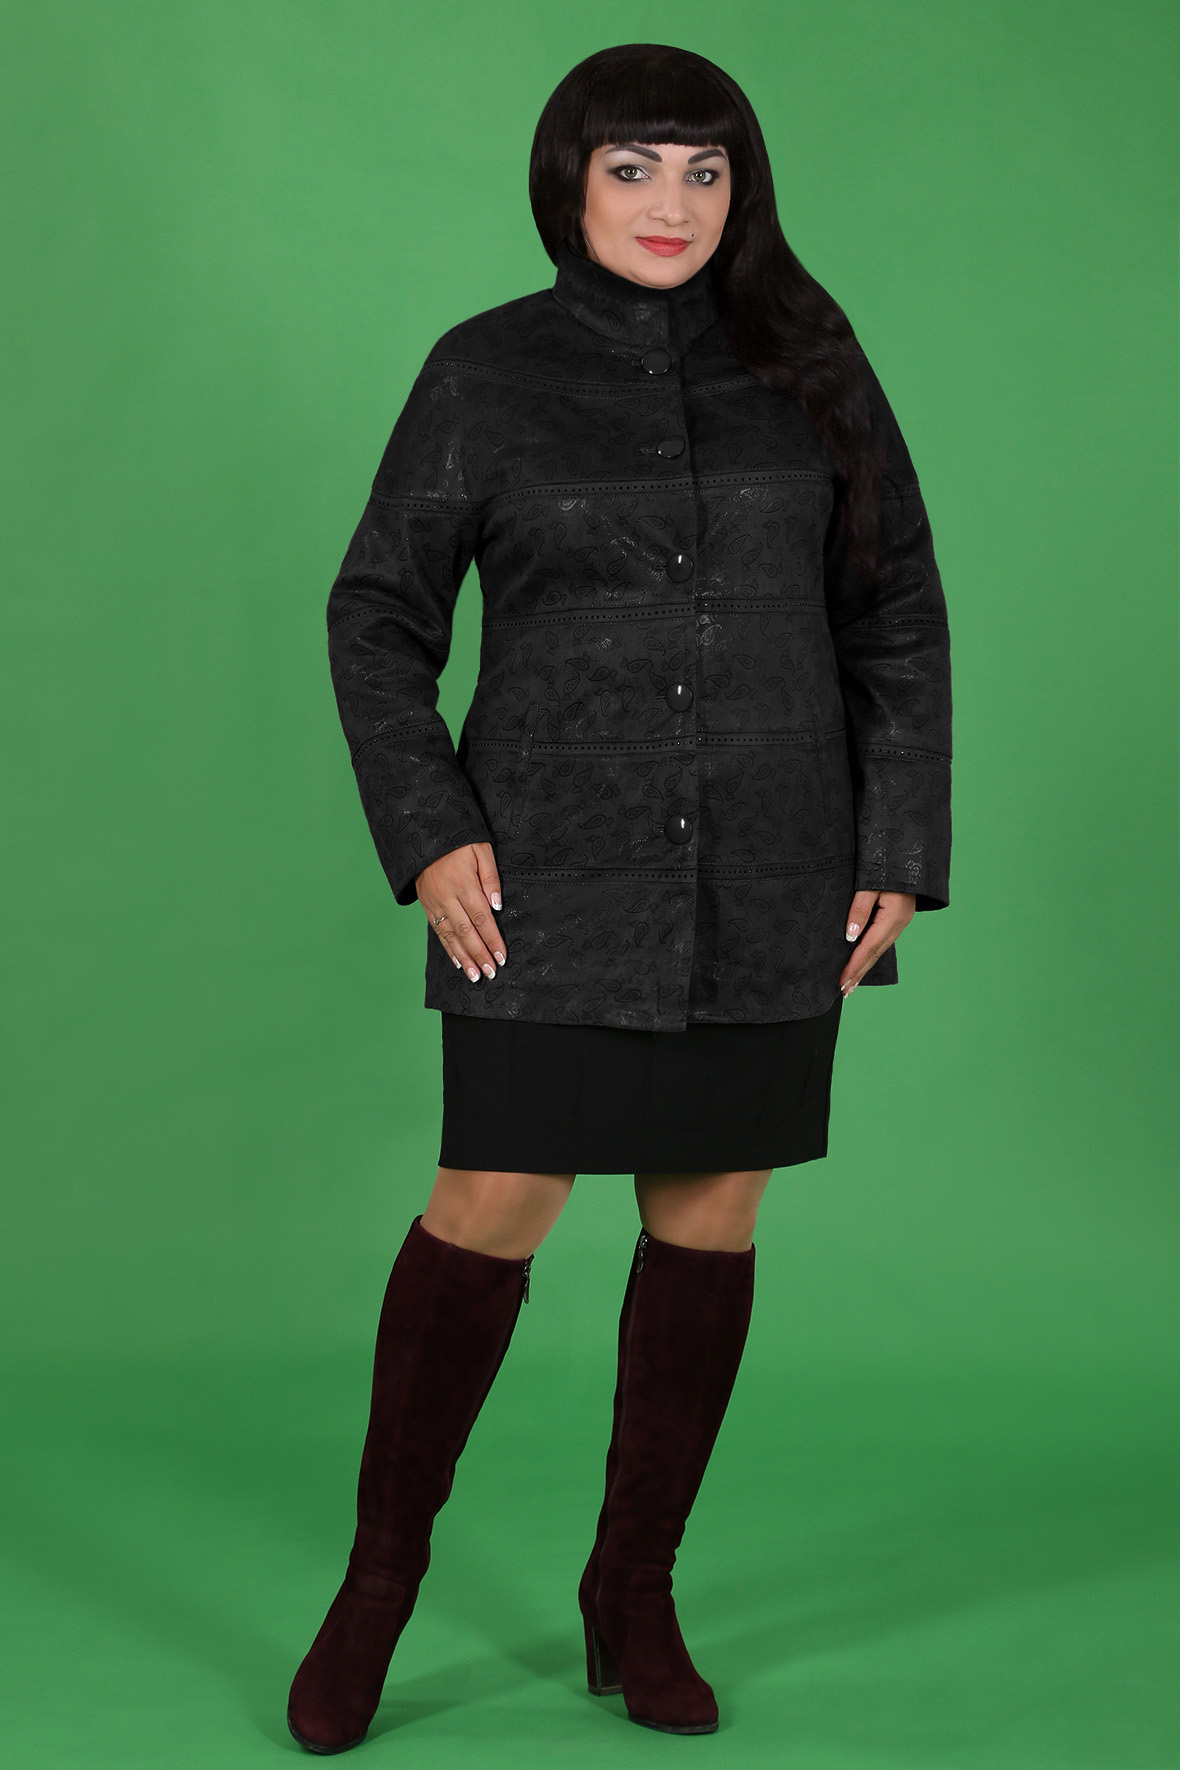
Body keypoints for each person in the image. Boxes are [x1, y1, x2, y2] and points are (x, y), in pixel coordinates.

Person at [287, 40, 952, 1753]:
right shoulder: (485, 370)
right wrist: (430, 828)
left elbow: (892, 611)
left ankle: (633, 1589)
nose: (673, 202)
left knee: (710, 1218)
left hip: (773, 868)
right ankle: (377, 1586)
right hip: (543, 873)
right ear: (569, 182)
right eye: (635, 166)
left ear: (744, 190)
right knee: (487, 1207)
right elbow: (377, 615)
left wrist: (898, 841)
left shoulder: (809, 362)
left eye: (705, 170)